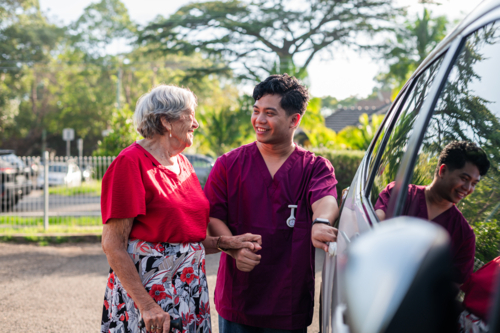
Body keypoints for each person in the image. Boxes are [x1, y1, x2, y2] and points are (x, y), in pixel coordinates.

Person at [100, 85, 261, 333]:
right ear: (166, 121)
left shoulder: (183, 163)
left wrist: (227, 243)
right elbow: (113, 244)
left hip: (189, 290)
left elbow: (186, 239)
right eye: (190, 115)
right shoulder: (130, 163)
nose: (196, 124)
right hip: (150, 297)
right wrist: (147, 305)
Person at [203, 74, 339, 332]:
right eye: (256, 111)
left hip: (288, 305)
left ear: (294, 120)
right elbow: (213, 217)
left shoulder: (314, 167)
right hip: (239, 301)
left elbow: (326, 198)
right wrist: (233, 249)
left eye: (269, 113)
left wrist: (320, 222)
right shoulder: (229, 165)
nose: (259, 120)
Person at [374, 141, 490, 284]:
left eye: (474, 184)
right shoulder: (399, 194)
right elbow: (375, 224)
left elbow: (453, 287)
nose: (468, 188)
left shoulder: (464, 236)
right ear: (443, 171)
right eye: (464, 179)